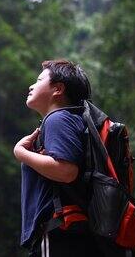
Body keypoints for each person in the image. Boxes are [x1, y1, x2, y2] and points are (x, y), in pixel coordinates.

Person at [13, 59, 102, 256]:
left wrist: (21, 153)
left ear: (58, 89)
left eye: (38, 80)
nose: (31, 85)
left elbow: (66, 171)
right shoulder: (70, 119)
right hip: (70, 234)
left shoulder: (58, 118)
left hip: (58, 233)